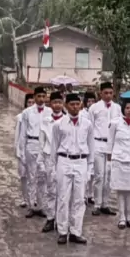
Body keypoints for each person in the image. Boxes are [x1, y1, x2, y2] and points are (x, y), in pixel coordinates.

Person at [51, 92, 94, 245]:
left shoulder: (87, 124)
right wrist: (54, 169)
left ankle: (76, 231)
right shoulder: (58, 124)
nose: (75, 107)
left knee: (79, 199)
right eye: (72, 104)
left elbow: (91, 147)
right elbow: (54, 148)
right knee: (63, 198)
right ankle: (63, 231)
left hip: (81, 161)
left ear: (81, 105)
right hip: (64, 160)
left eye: (77, 104)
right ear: (66, 106)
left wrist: (89, 169)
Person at [108, 99, 130, 230]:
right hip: (118, 158)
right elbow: (110, 140)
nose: (129, 110)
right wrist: (110, 156)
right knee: (120, 190)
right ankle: (122, 218)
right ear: (123, 109)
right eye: (127, 108)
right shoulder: (115, 123)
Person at [88, 82, 121, 216]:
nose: (108, 95)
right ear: (100, 93)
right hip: (97, 143)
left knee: (108, 176)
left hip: (111, 145)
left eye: (110, 93)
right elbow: (90, 128)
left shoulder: (117, 108)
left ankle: (105, 204)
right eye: (105, 93)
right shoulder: (94, 108)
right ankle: (97, 204)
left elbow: (119, 127)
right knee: (99, 176)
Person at [18, 86, 51, 218]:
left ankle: (41, 206)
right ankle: (31, 206)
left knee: (43, 177)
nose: (41, 99)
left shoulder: (49, 111)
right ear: (34, 97)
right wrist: (21, 152)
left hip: (45, 146)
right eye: (39, 96)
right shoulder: (27, 112)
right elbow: (23, 133)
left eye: (43, 96)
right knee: (31, 176)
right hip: (31, 144)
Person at [39, 91, 65, 233]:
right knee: (51, 190)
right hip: (49, 157)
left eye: (60, 102)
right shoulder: (45, 121)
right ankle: (50, 218)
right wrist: (41, 162)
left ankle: (62, 220)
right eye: (55, 102)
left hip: (63, 158)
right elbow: (41, 142)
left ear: (63, 104)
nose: (57, 105)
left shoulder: (66, 120)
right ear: (50, 104)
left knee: (63, 191)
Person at [14, 93, 34, 209]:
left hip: (33, 149)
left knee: (34, 175)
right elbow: (17, 135)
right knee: (23, 175)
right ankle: (24, 198)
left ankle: (33, 198)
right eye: (29, 102)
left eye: (32, 102)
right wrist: (18, 150)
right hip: (23, 149)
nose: (31, 104)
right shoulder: (20, 117)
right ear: (25, 103)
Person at [81, 91, 96, 205]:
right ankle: (84, 194)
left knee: (93, 172)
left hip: (95, 142)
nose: (90, 103)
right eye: (89, 101)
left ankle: (91, 194)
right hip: (84, 143)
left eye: (92, 101)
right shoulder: (82, 113)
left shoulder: (96, 112)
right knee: (85, 171)